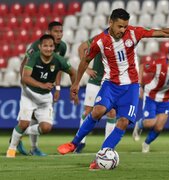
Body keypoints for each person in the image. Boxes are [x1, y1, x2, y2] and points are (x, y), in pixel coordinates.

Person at [57, 8, 169, 170]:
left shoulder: (134, 33)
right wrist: (75, 83)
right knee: (97, 111)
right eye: (119, 26)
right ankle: (73, 143)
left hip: (131, 87)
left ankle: (101, 156)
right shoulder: (100, 41)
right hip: (110, 84)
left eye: (125, 26)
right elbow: (85, 60)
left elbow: (160, 32)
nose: (123, 30)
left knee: (124, 122)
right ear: (110, 23)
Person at [6, 34, 77, 158]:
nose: (48, 49)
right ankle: (11, 150)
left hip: (45, 98)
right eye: (45, 46)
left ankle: (19, 132)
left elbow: (73, 72)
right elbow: (25, 77)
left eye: (51, 46)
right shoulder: (34, 57)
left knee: (46, 128)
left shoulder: (58, 60)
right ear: (40, 47)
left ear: (54, 47)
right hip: (29, 94)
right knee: (23, 123)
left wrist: (74, 89)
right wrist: (42, 85)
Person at [17, 21, 67, 156]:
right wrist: (24, 83)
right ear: (49, 33)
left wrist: (57, 88)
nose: (59, 34)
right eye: (56, 31)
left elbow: (58, 68)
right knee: (29, 117)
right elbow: (24, 63)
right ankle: (19, 138)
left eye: (61, 31)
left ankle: (32, 147)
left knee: (36, 119)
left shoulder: (62, 47)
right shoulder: (36, 46)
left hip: (45, 86)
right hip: (30, 83)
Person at [75, 39, 116, 153]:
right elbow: (81, 47)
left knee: (112, 112)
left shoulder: (122, 41)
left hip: (111, 83)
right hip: (95, 81)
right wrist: (86, 68)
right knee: (88, 111)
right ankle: (80, 142)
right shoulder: (100, 38)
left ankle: (108, 145)